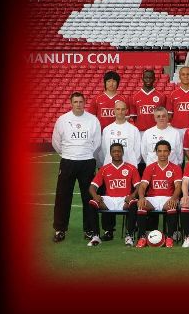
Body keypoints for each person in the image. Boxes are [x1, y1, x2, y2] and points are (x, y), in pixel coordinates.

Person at [51, 92, 102, 242]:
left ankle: (89, 229)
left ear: (85, 103)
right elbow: (56, 142)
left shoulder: (93, 120)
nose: (78, 104)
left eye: (81, 101)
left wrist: (87, 154)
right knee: (63, 196)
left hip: (87, 161)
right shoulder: (63, 120)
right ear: (71, 103)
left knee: (88, 196)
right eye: (75, 102)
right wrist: (67, 153)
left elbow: (97, 142)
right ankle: (60, 229)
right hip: (68, 161)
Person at [85, 143, 140, 247]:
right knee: (92, 203)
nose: (117, 153)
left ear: (122, 152)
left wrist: (132, 196)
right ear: (110, 153)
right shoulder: (104, 169)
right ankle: (96, 236)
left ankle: (129, 236)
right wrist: (95, 196)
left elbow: (139, 187)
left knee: (134, 203)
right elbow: (92, 187)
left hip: (124, 200)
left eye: (119, 151)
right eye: (114, 151)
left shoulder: (131, 168)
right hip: (109, 200)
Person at [135, 140, 183, 248]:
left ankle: (169, 238)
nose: (162, 154)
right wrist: (141, 197)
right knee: (141, 205)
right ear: (156, 152)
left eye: (165, 151)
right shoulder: (149, 168)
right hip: (152, 198)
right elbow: (142, 186)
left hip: (168, 198)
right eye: (160, 151)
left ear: (169, 152)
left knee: (172, 205)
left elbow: (178, 187)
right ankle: (142, 238)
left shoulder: (175, 168)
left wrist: (174, 198)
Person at [166, 66, 189, 142]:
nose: (186, 76)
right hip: (176, 130)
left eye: (188, 74)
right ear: (179, 77)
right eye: (183, 74)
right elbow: (169, 115)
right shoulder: (173, 94)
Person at [100, 101, 142, 167]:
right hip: (110, 166)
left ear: (126, 111)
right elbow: (104, 150)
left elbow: (137, 151)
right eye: (118, 109)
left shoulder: (134, 129)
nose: (120, 112)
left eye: (123, 109)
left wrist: (133, 163)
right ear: (114, 111)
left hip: (129, 166)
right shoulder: (107, 130)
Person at [129, 68, 166, 136]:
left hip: (157, 131)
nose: (148, 80)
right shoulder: (134, 97)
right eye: (146, 78)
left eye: (150, 78)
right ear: (142, 79)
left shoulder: (161, 96)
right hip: (140, 132)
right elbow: (134, 117)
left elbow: (163, 115)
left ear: (154, 79)